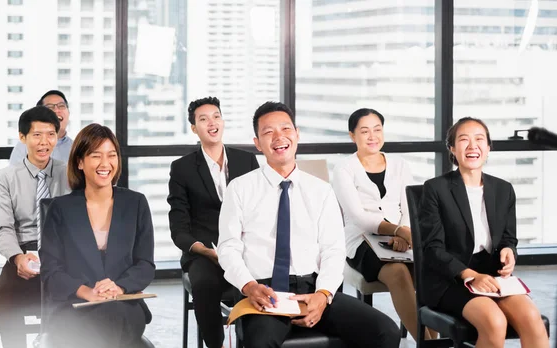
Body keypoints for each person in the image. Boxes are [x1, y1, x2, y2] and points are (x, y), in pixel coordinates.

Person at [217, 101, 400, 348]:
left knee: (385, 331)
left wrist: (323, 295)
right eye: (268, 132)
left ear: (297, 134)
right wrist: (249, 286)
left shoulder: (321, 190)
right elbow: (228, 248)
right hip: (264, 293)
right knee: (260, 342)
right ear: (258, 143)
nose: (279, 137)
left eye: (285, 129)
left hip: (313, 288)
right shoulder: (239, 189)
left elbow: (333, 250)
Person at [419, 117, 549, 348]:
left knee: (532, 319)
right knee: (494, 321)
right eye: (463, 140)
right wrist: (471, 275)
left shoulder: (503, 190)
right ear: (452, 148)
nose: (472, 146)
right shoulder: (435, 189)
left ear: (488, 148)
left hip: (491, 277)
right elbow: (433, 249)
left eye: (479, 139)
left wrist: (509, 251)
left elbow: (508, 238)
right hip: (450, 280)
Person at [39, 124, 155, 347]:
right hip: (74, 305)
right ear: (80, 162)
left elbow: (145, 265)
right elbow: (50, 271)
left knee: (111, 317)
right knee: (93, 325)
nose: (105, 164)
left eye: (111, 155)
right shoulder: (60, 209)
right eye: (96, 156)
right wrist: (87, 292)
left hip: (122, 304)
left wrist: (118, 287)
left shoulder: (136, 203)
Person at [332, 108, 433, 339]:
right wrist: (398, 231)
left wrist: (402, 234)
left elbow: (409, 207)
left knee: (430, 272)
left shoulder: (400, 165)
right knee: (397, 273)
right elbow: (358, 216)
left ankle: (434, 342)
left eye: (377, 129)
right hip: (361, 241)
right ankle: (426, 344)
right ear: (352, 136)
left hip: (401, 239)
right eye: (364, 131)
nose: (372, 136)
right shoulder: (344, 169)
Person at [168, 97, 259, 348]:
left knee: (269, 274)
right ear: (194, 128)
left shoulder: (246, 161)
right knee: (205, 284)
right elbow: (178, 227)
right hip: (204, 253)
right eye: (203, 119)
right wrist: (206, 251)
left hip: (244, 248)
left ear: (223, 121)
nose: (212, 122)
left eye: (216, 116)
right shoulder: (182, 168)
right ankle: (215, 344)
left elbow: (259, 211)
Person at [0, 106, 70, 348]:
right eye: (37, 135)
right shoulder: (5, 178)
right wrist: (17, 258)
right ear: (22, 137)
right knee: (6, 299)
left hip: (63, 253)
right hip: (24, 252)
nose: (44, 142)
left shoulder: (69, 174)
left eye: (50, 134)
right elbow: (2, 228)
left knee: (76, 299)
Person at [9, 90, 73, 165]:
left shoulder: (76, 148)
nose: (56, 110)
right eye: (50, 107)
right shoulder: (24, 145)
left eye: (61, 106)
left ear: (68, 112)